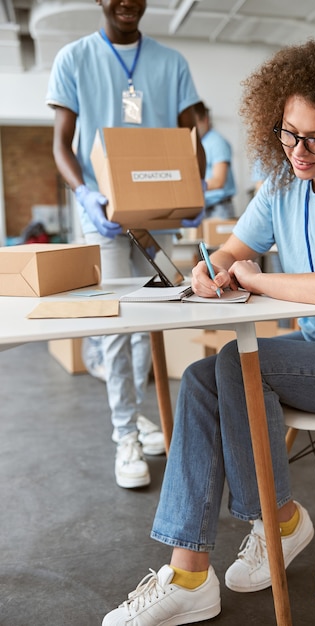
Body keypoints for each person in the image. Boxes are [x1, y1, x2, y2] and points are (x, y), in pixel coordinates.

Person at [102, 32, 315, 625]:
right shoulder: (280, 187)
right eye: (289, 133)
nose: (299, 150)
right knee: (203, 376)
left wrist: (259, 279)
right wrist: (212, 268)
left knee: (234, 363)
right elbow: (233, 251)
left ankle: (279, 522)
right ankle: (191, 572)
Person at [46, 0, 205, 489]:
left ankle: (137, 417)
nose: (128, 2)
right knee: (116, 323)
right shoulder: (73, 58)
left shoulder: (171, 62)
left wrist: (193, 187)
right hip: (106, 218)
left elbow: (190, 133)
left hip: (158, 214)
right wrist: (85, 194)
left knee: (151, 321)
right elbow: (61, 143)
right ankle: (124, 435)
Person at [194, 101, 236, 219]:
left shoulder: (217, 142)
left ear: (205, 120)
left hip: (219, 209)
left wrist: (191, 186)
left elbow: (218, 181)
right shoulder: (201, 143)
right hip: (205, 208)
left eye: (195, 122)